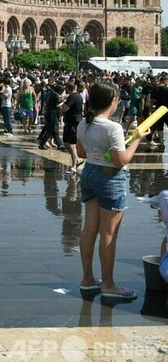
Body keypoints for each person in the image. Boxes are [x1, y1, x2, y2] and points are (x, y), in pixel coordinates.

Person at [76, 81, 147, 301]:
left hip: (89, 174)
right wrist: (136, 139)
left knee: (90, 229)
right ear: (113, 101)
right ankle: (108, 284)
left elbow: (82, 152)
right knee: (108, 233)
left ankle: (88, 278)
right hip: (110, 179)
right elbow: (121, 160)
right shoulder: (113, 127)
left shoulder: (83, 123)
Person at [61, 82, 84, 174]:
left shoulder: (73, 97)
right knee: (67, 143)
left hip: (72, 122)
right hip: (75, 121)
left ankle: (74, 165)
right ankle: (77, 160)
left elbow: (64, 108)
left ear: (68, 88)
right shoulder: (78, 96)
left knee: (71, 144)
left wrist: (61, 106)